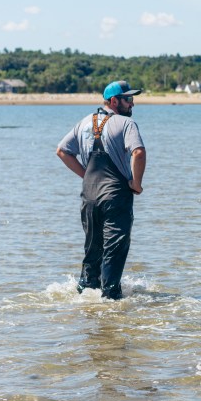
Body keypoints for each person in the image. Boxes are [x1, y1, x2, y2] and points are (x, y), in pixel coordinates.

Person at [56, 80, 147, 300]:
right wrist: (136, 183)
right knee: (114, 248)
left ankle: (85, 295)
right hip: (116, 196)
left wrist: (86, 175)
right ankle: (111, 299)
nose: (132, 104)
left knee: (93, 247)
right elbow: (138, 153)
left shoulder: (84, 122)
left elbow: (62, 151)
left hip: (89, 196)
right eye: (128, 99)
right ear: (114, 101)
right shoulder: (126, 125)